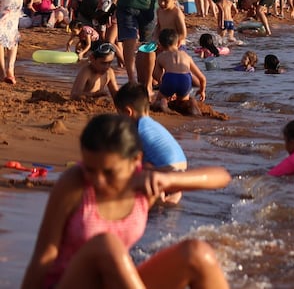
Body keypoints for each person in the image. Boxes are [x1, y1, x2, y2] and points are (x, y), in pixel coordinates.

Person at [20, 114, 230, 289]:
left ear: (136, 160)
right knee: (106, 244)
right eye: (90, 169)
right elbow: (45, 255)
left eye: (109, 172)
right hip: (69, 283)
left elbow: (221, 177)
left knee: (197, 253)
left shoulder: (144, 183)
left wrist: (169, 179)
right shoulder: (74, 184)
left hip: (116, 283)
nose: (98, 180)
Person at [113, 82, 188, 203]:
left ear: (128, 112)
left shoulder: (136, 129)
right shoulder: (153, 125)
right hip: (181, 169)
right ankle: (172, 193)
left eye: (119, 114)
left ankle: (160, 196)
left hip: (166, 171)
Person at [152, 28, 205, 114]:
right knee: (183, 103)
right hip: (185, 80)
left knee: (158, 101)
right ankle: (192, 107)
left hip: (169, 78)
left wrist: (163, 88)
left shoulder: (161, 56)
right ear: (179, 43)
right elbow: (202, 78)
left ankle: (163, 103)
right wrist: (202, 91)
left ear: (160, 45)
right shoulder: (186, 56)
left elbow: (156, 75)